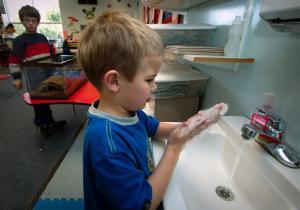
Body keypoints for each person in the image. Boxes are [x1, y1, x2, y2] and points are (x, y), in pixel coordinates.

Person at [77, 12, 225, 210]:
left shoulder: (129, 111)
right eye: (149, 79)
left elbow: (153, 127)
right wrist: (174, 148)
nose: (154, 87)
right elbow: (142, 205)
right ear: (114, 81)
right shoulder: (107, 144)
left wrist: (189, 126)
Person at [8, 5, 66, 133]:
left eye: (33, 21)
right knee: (39, 99)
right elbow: (14, 60)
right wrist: (17, 78)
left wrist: (55, 53)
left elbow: (50, 52)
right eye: (27, 20)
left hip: (47, 73)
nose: (30, 23)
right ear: (22, 21)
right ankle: (46, 124)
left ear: (37, 22)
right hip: (32, 76)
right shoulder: (19, 40)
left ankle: (43, 121)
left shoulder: (42, 37)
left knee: (44, 98)